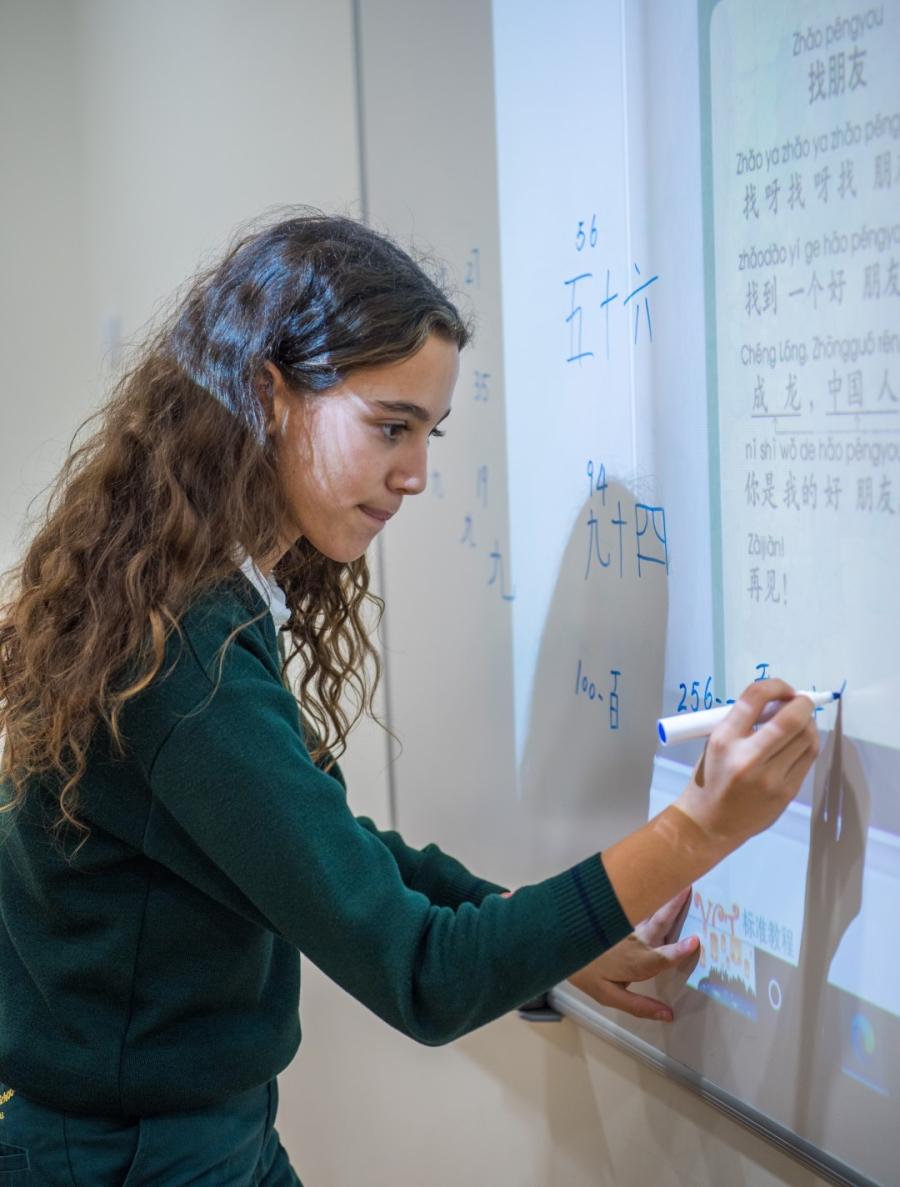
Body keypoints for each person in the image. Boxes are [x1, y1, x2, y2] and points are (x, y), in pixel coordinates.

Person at [0, 212, 819, 1185]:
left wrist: (542, 930)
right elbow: (424, 974)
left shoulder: (194, 597)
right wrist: (698, 830)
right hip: (132, 1156)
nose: (418, 474)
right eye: (391, 426)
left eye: (430, 433)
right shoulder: (185, 651)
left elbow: (330, 851)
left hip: (179, 1137)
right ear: (266, 395)